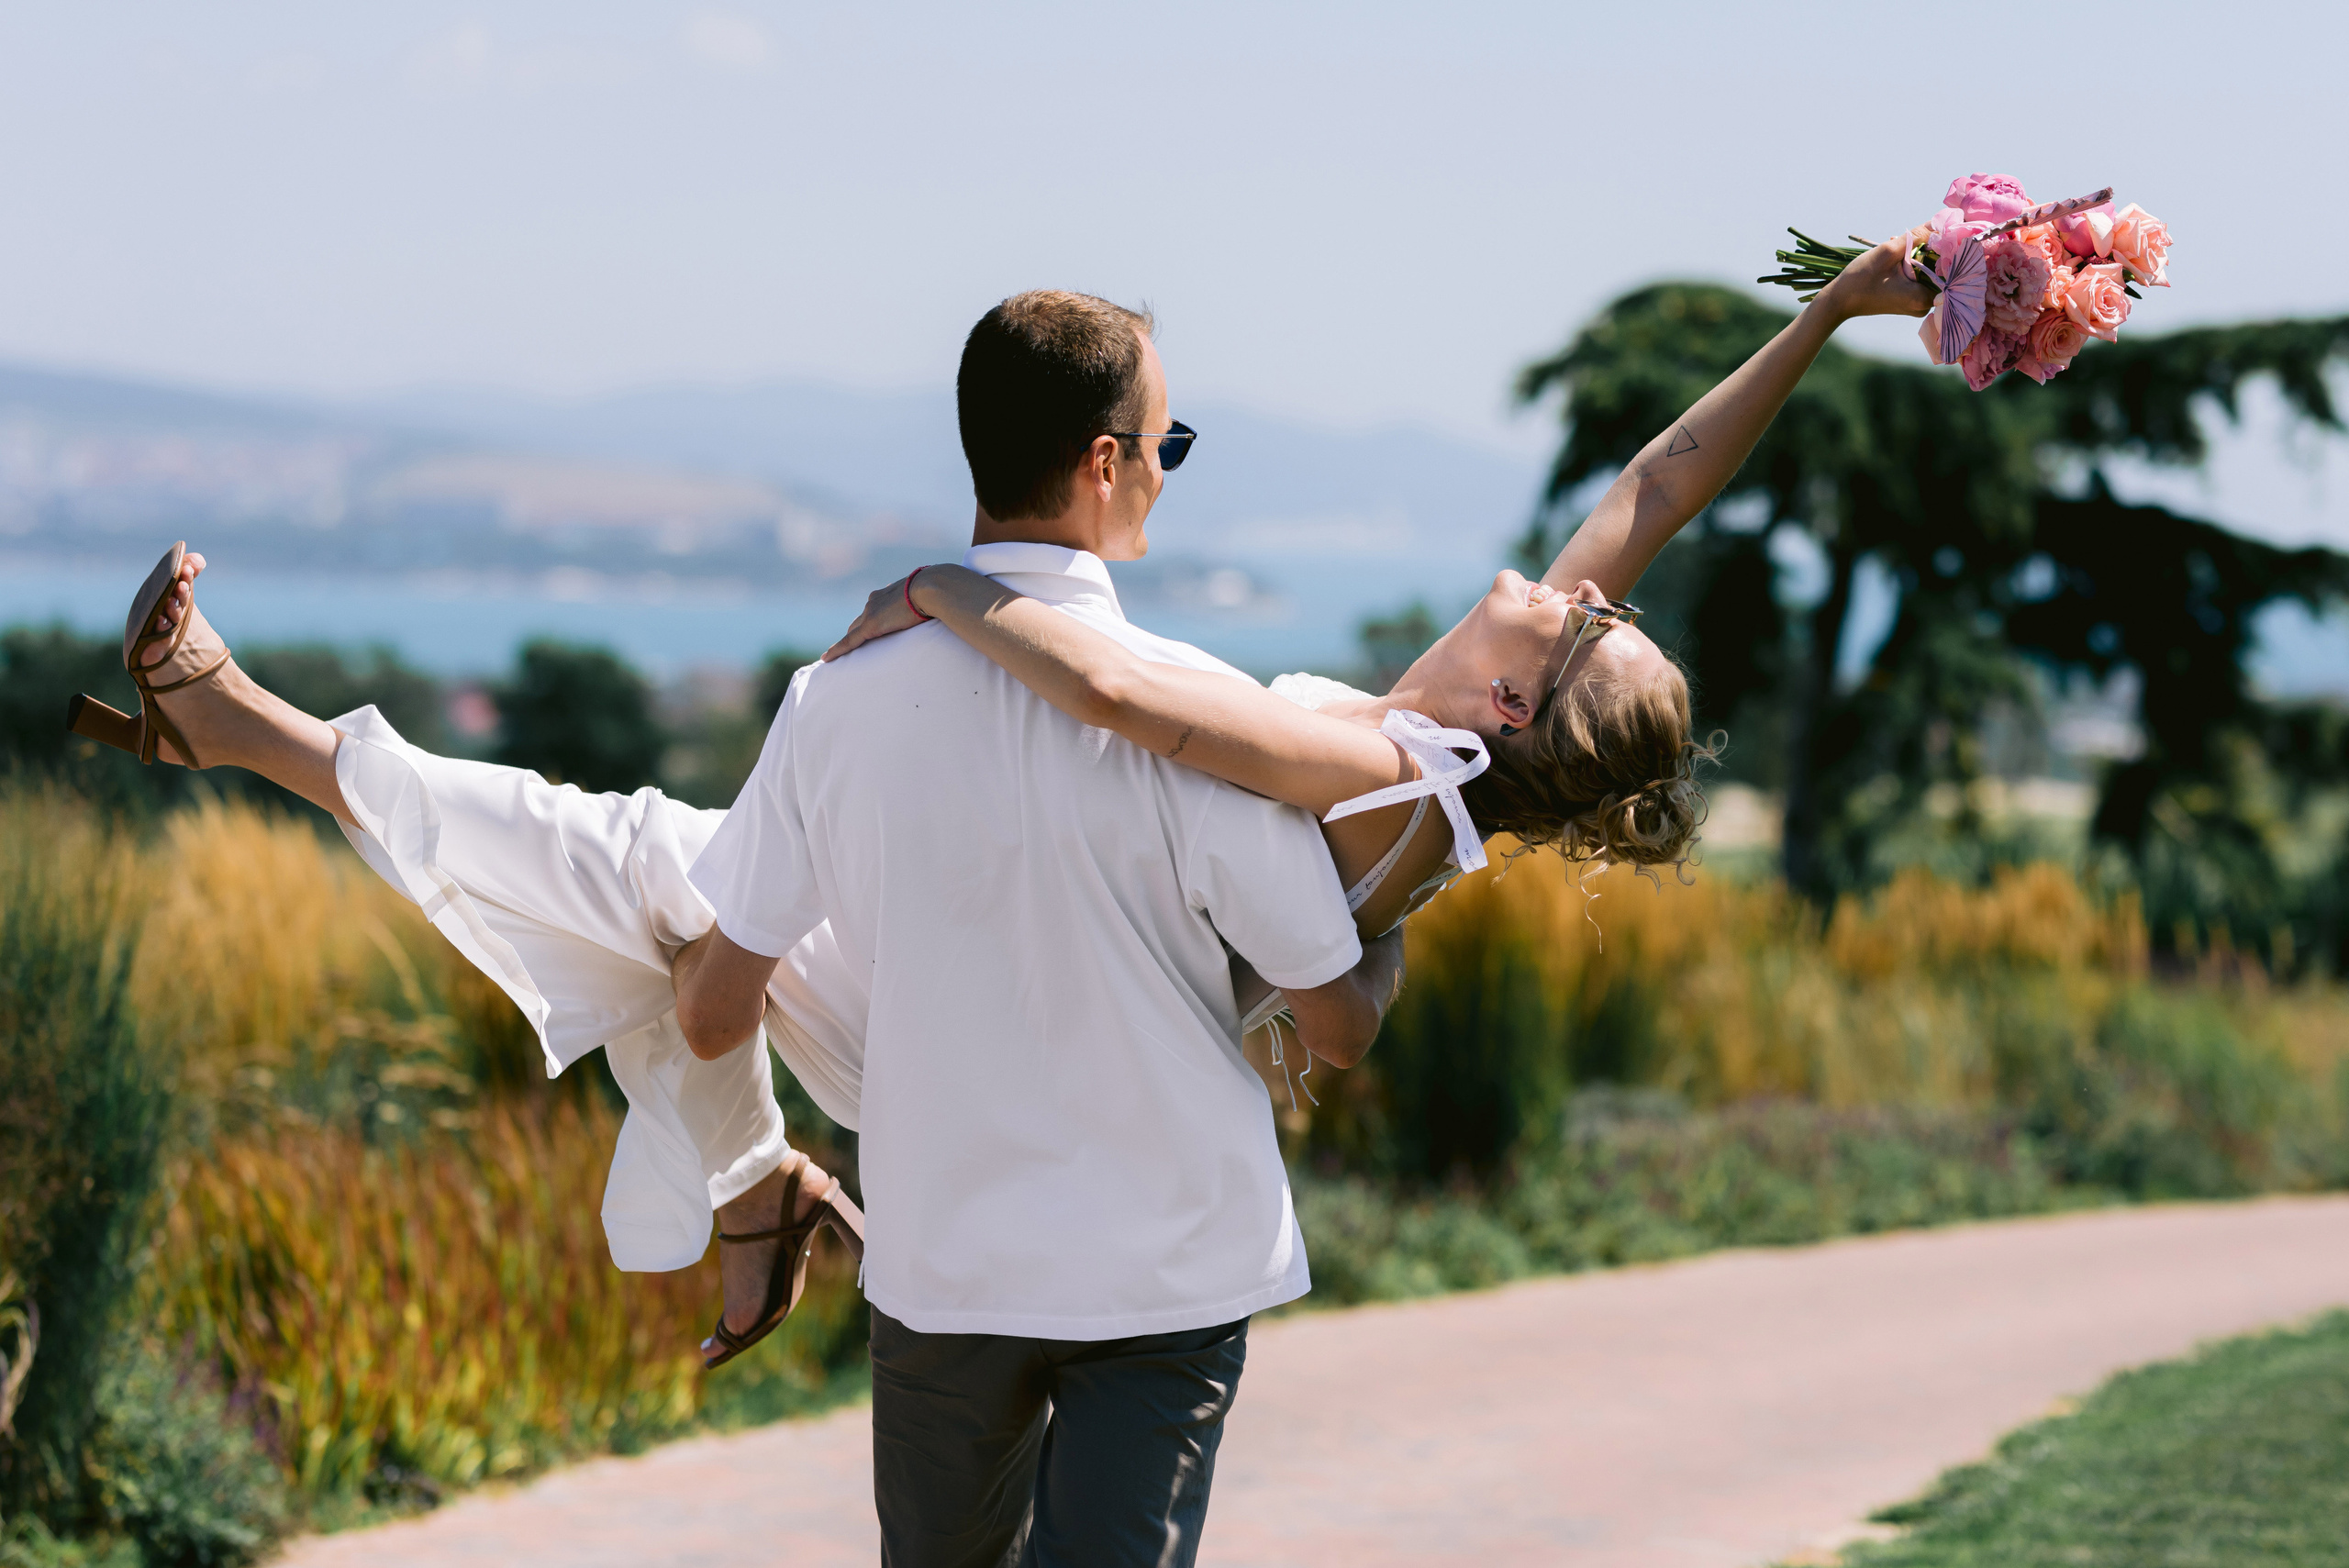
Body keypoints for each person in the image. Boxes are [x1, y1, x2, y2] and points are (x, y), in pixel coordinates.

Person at [71, 246, 1931, 1489]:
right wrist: (1836, 304)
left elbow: (1132, 698)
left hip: (1033, 1048)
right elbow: (1657, 485)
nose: (1536, 577)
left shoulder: (1359, 749)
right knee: (657, 883)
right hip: (1017, 1005)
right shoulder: (1451, 736)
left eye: (1545, 613)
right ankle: (275, 759)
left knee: (665, 890)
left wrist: (937, 597)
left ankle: (733, 1172)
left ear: (1512, 710)